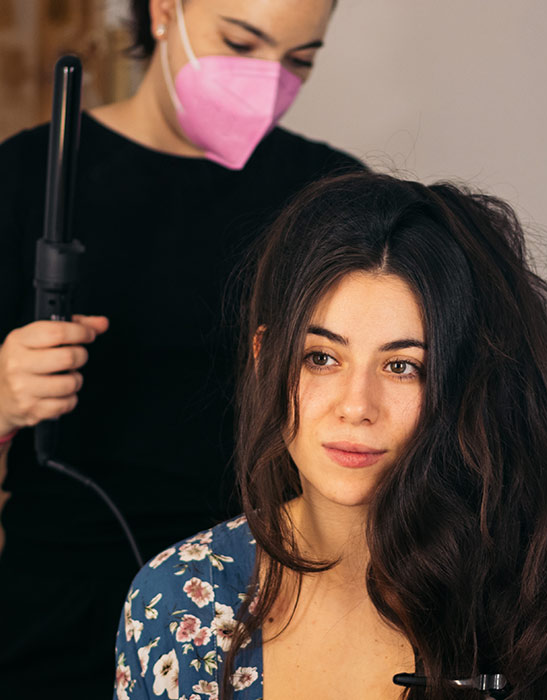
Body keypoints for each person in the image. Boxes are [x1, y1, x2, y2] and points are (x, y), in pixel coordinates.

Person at [114, 171, 547, 700]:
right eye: (321, 358)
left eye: (403, 366)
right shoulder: (174, 603)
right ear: (264, 358)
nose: (356, 407)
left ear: (462, 386)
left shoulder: (543, 604)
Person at [0, 0, 361, 694]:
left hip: (268, 611)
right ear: (164, 9)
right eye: (239, 42)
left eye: (298, 61)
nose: (267, 80)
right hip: (60, 624)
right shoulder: (26, 177)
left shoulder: (331, 199)